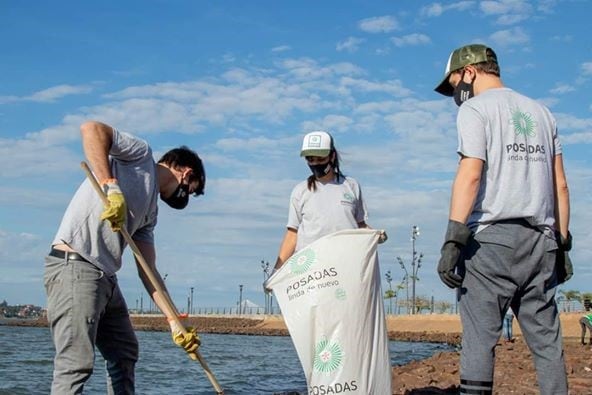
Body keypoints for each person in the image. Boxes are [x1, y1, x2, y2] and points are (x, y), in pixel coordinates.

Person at [434, 44, 572, 395]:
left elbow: (471, 173)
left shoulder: (475, 109)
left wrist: (453, 238)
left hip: (490, 242)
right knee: (546, 343)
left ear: (469, 72)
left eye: (453, 84)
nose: (455, 94)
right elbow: (560, 184)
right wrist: (563, 241)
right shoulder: (542, 113)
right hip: (541, 241)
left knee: (480, 337)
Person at [44, 121, 205, 394]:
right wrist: (111, 186)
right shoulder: (140, 156)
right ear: (186, 173)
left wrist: (174, 322)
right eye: (189, 190)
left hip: (105, 277)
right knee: (76, 364)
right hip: (76, 265)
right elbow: (92, 130)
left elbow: (148, 270)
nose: (183, 198)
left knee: (124, 352)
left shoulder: (150, 212)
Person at [272, 130, 385, 271]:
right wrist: (277, 270)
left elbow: (359, 224)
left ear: (332, 156)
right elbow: (292, 233)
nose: (315, 164)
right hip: (311, 268)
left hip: (346, 263)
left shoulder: (351, 186)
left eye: (320, 159)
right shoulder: (300, 191)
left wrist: (375, 235)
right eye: (311, 160)